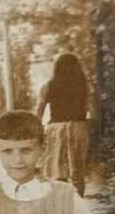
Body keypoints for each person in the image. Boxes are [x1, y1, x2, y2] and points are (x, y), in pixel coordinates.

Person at [36, 52, 89, 196]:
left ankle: (63, 206)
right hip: (78, 127)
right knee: (78, 171)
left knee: (58, 170)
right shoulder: (84, 86)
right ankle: (79, 204)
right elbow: (90, 109)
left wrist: (37, 129)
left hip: (56, 130)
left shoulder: (48, 86)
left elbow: (39, 111)